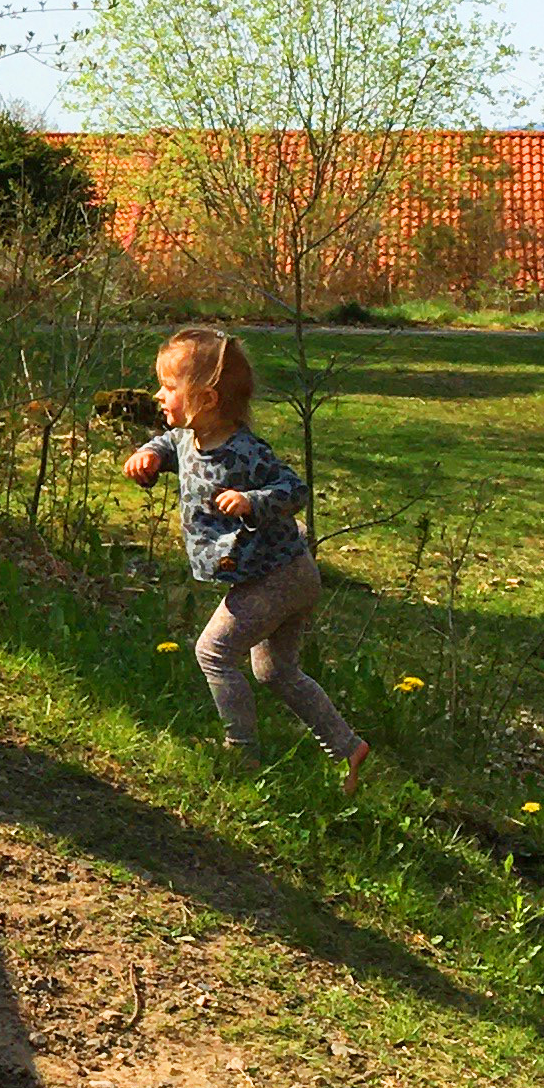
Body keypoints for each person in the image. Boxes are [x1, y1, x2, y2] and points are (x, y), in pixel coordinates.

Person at [121, 324, 367, 783]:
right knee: (276, 671)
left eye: (170, 387)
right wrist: (149, 456)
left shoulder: (245, 452)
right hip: (278, 573)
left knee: (213, 652)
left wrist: (254, 501)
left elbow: (295, 489)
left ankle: (241, 754)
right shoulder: (189, 438)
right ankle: (348, 749)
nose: (158, 395)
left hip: (277, 577)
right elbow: (169, 445)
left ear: (208, 400)